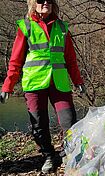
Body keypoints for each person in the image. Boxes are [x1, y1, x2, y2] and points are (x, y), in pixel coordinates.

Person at [0, 0, 85, 173]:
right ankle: (48, 155)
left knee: (69, 120)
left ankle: (71, 153)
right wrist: (7, 86)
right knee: (38, 123)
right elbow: (15, 61)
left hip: (59, 83)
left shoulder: (62, 27)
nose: (45, 2)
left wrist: (78, 81)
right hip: (34, 82)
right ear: (33, 3)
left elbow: (70, 59)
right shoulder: (25, 26)